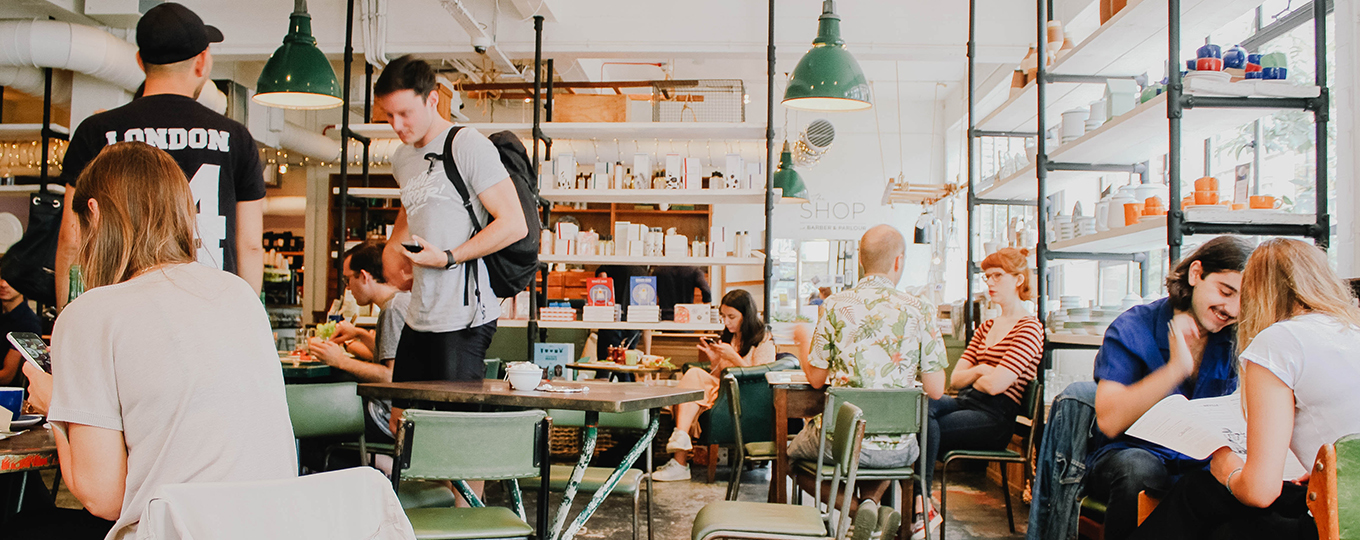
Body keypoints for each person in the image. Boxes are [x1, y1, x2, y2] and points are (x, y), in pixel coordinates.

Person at [20, 142, 295, 540]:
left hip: (178, 533)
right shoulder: (239, 294)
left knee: (20, 523)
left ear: (93, 213)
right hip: (272, 528)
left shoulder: (90, 314)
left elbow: (103, 498)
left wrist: (56, 406)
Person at [1130, 239, 1360, 540]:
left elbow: (1259, 493)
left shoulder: (1280, 342)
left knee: (1208, 504)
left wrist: (1228, 467)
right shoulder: (1351, 330)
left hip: (1339, 525)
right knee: (1209, 504)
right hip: (1345, 500)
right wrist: (1326, 473)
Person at [56, 2, 265, 308]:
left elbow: (72, 239)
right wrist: (246, 319)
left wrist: (68, 317)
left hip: (123, 309)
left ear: (140, 61)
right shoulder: (236, 138)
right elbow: (250, 245)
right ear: (202, 62)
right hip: (210, 309)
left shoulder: (97, 131)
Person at [1086, 235, 1254, 540]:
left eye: (1244, 301)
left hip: (1203, 462)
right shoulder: (1134, 326)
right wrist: (1175, 369)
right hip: (1130, 456)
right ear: (1196, 273)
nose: (1231, 309)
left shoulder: (1237, 338)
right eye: (1225, 291)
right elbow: (1109, 421)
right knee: (1139, 468)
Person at [374, 55, 527, 387]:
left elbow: (514, 223)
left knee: (450, 418)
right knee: (403, 414)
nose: (396, 125)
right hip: (418, 316)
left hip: (464, 318)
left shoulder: (467, 145)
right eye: (389, 115)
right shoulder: (402, 158)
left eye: (405, 113)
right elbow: (412, 205)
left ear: (432, 99)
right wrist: (392, 248)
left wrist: (448, 257)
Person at [789, 224, 948, 539]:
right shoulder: (921, 308)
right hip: (900, 448)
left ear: (861, 261)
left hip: (842, 443)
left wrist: (803, 341)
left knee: (789, 457)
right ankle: (871, 506)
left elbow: (817, 380)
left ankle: (857, 511)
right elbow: (936, 390)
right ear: (899, 261)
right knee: (884, 446)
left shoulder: (834, 305)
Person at [925, 247, 1042, 511]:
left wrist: (980, 376)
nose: (990, 282)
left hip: (995, 417)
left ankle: (920, 501)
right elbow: (956, 380)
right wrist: (981, 370)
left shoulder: (1029, 328)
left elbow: (996, 385)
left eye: (998, 275)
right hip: (966, 403)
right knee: (922, 406)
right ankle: (920, 501)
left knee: (924, 427)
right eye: (987, 276)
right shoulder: (986, 326)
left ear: (1019, 279)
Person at [653, 289, 775, 482]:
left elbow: (761, 377)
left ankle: (680, 460)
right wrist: (714, 359)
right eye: (723, 316)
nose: (726, 322)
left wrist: (733, 357)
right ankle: (680, 448)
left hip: (746, 396)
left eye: (731, 317)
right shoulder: (730, 337)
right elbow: (720, 374)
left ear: (747, 315)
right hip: (724, 390)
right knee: (692, 382)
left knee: (691, 385)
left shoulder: (763, 339)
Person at [308, 243, 409, 448]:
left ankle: (373, 462)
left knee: (310, 421)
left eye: (348, 280)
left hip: (385, 417)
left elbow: (391, 377)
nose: (347, 288)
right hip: (400, 413)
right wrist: (360, 334)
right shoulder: (402, 300)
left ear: (363, 276)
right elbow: (398, 357)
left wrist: (340, 361)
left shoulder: (392, 310)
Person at [0, 272, 42, 385]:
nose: (3, 284)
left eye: (10, 280)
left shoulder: (28, 323)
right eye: (1, 278)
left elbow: (7, 375)